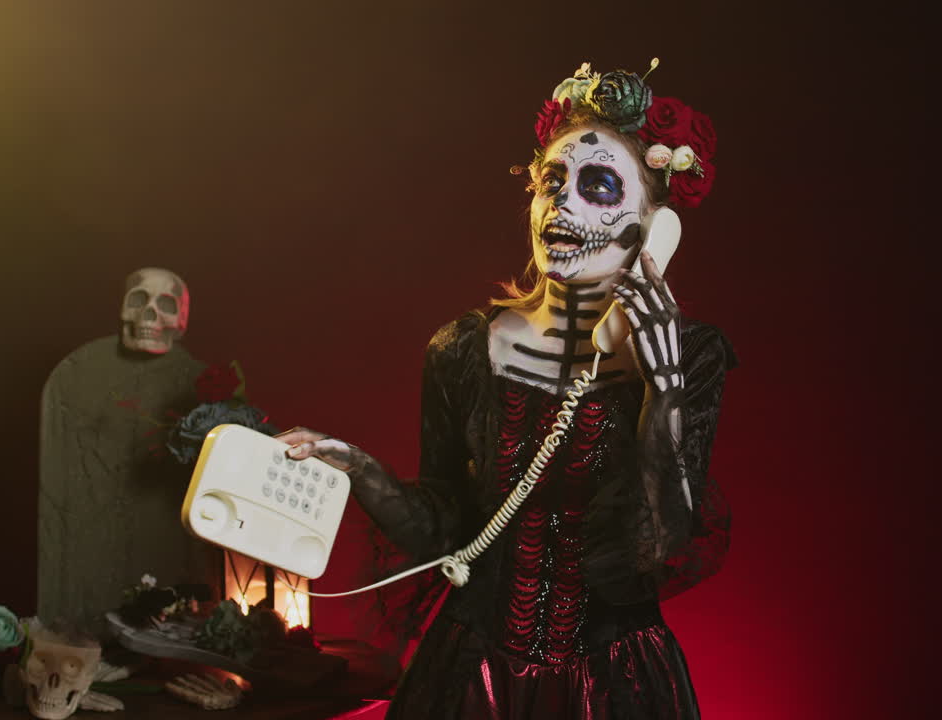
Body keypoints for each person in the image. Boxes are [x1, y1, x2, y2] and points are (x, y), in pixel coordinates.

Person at [277, 61, 736, 719]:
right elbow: (444, 524)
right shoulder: (463, 348)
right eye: (552, 182)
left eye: (598, 185)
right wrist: (359, 469)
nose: (564, 202)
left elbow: (664, 548)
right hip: (472, 679)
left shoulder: (691, 356)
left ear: (653, 226)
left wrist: (662, 390)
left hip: (613, 688)